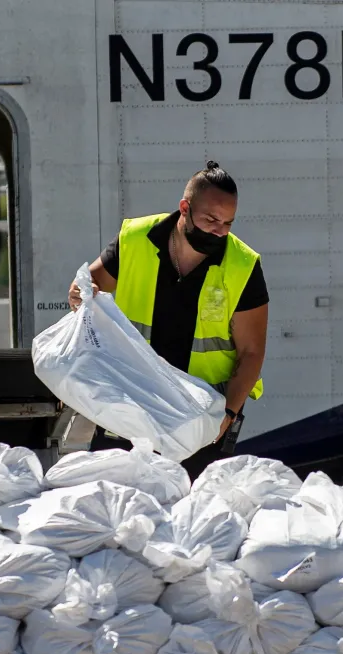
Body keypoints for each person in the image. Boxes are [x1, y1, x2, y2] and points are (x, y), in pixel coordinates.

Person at [67, 161, 269, 479]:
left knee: (193, 516)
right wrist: (82, 294)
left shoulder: (243, 265)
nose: (219, 231)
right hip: (131, 405)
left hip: (199, 419)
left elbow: (252, 352)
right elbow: (82, 288)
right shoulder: (135, 240)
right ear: (184, 208)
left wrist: (228, 413)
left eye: (228, 223)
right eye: (211, 220)